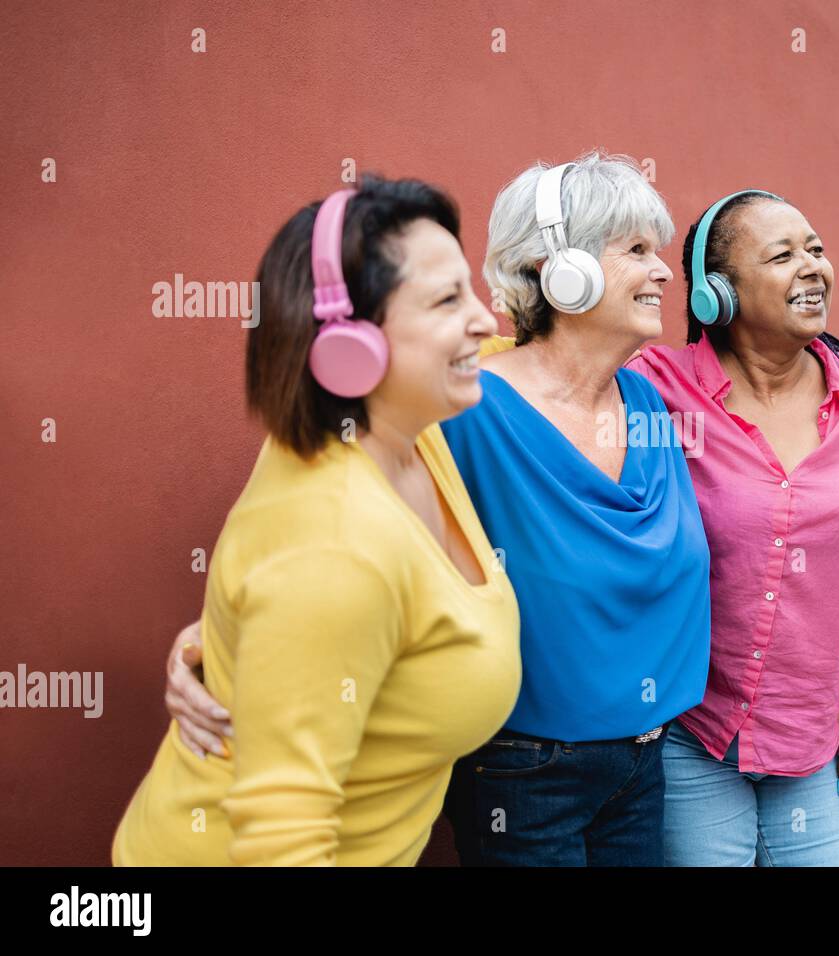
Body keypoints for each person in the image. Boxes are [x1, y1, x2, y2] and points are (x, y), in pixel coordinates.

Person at [159, 152, 712, 866]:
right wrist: (209, 643)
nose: (664, 271)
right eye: (637, 250)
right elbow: (302, 524)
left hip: (643, 764)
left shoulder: (644, 400)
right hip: (531, 774)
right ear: (560, 271)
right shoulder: (461, 402)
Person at [112, 175, 521, 866]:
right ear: (348, 347)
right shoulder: (336, 545)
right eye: (449, 299)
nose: (487, 323)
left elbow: (555, 354)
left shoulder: (407, 428)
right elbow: (284, 843)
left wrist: (227, 643)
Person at [621, 188, 839, 865]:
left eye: (816, 249)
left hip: (813, 745)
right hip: (694, 737)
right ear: (716, 295)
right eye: (782, 256)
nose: (812, 267)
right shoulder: (656, 389)